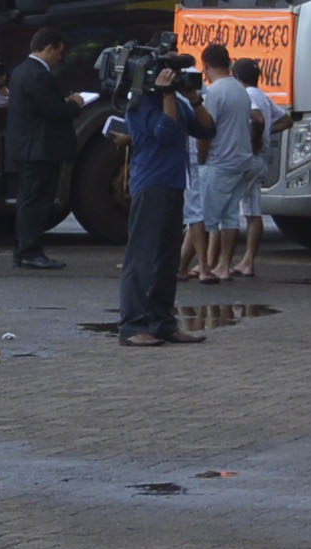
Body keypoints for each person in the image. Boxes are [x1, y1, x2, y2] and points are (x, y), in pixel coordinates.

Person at [105, 53, 203, 345]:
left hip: (173, 184)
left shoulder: (176, 101)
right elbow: (167, 130)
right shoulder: (139, 106)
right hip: (151, 185)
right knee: (142, 258)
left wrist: (193, 99)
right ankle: (133, 325)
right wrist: (167, 96)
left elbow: (206, 128)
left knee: (167, 257)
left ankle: (162, 322)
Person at [0, 36, 77, 269]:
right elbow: (54, 111)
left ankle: (23, 249)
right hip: (40, 150)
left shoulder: (21, 70)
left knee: (28, 201)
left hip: (26, 147)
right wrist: (75, 103)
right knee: (37, 202)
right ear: (48, 47)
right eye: (58, 52)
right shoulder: (38, 74)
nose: (59, 58)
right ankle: (30, 251)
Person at [186, 50, 260, 285]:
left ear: (205, 65)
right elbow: (256, 121)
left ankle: (198, 266)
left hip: (218, 162)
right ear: (228, 63)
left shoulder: (215, 93)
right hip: (241, 161)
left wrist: (201, 157)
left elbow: (205, 129)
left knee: (203, 218)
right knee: (229, 217)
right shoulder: (241, 90)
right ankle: (225, 266)